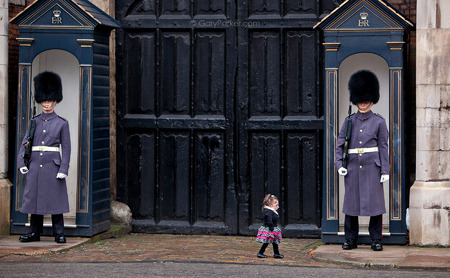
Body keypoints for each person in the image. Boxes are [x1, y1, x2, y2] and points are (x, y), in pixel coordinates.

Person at [335, 70, 389, 252]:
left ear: (372, 100)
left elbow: (383, 147)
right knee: (351, 205)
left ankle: (376, 240)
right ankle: (350, 239)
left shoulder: (379, 122)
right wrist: (339, 165)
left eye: (366, 100)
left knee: (375, 206)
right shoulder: (348, 121)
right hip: (352, 167)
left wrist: (385, 170)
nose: (363, 103)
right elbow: (340, 146)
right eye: (360, 100)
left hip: (373, 167)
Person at [17, 71, 71, 244]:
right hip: (35, 164)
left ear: (55, 101)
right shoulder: (35, 121)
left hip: (52, 165)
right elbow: (26, 142)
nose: (47, 104)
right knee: (34, 199)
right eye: (44, 101)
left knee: (56, 200)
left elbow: (67, 148)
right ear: (41, 101)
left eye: (49, 101)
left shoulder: (62, 123)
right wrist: (21, 162)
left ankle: (59, 233)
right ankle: (34, 232)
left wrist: (63, 168)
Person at [255, 194, 283, 258]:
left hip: (273, 228)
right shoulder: (269, 212)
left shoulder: (271, 211)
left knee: (274, 242)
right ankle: (260, 252)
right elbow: (269, 221)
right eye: (276, 205)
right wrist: (271, 228)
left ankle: (276, 253)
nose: (278, 207)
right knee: (267, 242)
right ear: (270, 205)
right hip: (270, 229)